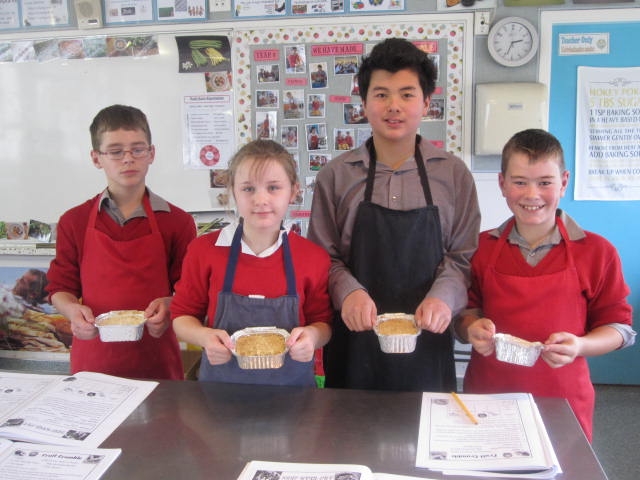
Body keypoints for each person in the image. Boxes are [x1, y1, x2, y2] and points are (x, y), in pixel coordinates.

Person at [307, 38, 480, 392]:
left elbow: (463, 257)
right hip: (354, 343)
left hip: (428, 342)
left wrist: (443, 297)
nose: (394, 106)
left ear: (426, 102)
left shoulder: (453, 175)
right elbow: (324, 257)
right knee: (351, 423)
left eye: (407, 94)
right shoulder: (336, 176)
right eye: (381, 94)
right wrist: (348, 293)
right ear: (364, 103)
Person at [454, 129, 635, 442]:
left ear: (564, 182)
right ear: (502, 184)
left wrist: (580, 346)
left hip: (563, 400)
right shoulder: (480, 248)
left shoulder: (597, 252)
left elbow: (619, 329)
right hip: (489, 397)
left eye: (545, 182)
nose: (532, 194)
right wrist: (471, 328)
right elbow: (464, 315)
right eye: (520, 182)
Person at [46, 104, 197, 380]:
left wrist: (170, 304)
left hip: (157, 360)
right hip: (94, 360)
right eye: (115, 151)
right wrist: (72, 311)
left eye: (137, 149)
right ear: (96, 158)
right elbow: (60, 287)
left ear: (151, 154)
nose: (128, 159)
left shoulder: (177, 222)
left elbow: (188, 290)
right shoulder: (74, 221)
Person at [171, 139, 332, 386]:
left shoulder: (313, 257)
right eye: (248, 189)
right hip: (220, 392)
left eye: (273, 187)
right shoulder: (203, 251)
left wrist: (312, 336)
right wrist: (204, 337)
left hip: (293, 394)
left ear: (294, 191)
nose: (261, 199)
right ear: (232, 192)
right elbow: (182, 316)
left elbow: (323, 324)